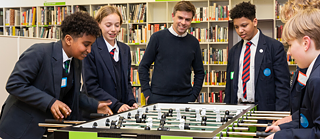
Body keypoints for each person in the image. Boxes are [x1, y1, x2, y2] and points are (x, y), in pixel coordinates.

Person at [0, 12, 113, 139]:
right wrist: (50, 102)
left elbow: (73, 93)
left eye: (91, 45)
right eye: (86, 44)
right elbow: (15, 84)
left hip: (45, 129)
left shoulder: (76, 61)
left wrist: (95, 105)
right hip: (20, 129)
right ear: (69, 39)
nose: (89, 50)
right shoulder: (39, 52)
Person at [224, 1, 290, 112]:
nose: (240, 30)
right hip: (238, 111)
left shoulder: (274, 47)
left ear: (254, 22)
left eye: (244, 25)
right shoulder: (233, 51)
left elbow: (282, 86)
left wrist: (280, 114)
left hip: (265, 111)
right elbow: (229, 87)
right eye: (236, 27)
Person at [265, 8, 320, 139]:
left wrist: (278, 137)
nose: (288, 52)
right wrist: (282, 128)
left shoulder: (317, 79)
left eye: (290, 45)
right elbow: (310, 119)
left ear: (306, 43)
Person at [138, 1, 204, 104]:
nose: (183, 22)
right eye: (180, 18)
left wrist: (193, 95)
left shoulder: (194, 42)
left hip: (185, 99)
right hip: (157, 98)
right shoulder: (157, 38)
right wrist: (147, 93)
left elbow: (199, 72)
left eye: (187, 19)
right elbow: (143, 66)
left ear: (191, 20)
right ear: (173, 16)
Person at [83, 5, 138, 114]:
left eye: (117, 25)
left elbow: (126, 82)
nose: (113, 30)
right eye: (108, 25)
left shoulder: (125, 49)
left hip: (122, 110)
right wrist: (116, 104)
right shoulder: (91, 49)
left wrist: (131, 101)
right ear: (99, 24)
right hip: (100, 111)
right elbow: (91, 86)